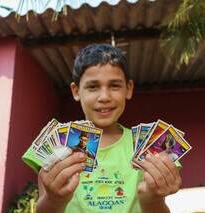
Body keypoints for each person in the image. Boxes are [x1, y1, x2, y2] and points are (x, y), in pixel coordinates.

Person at [36, 44, 182, 213]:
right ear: (76, 91)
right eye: (93, 87)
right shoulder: (55, 144)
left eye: (114, 86)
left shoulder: (148, 145)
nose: (104, 97)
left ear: (128, 89)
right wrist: (54, 201)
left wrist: (151, 200)